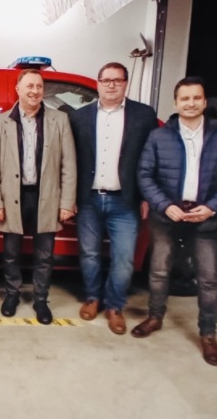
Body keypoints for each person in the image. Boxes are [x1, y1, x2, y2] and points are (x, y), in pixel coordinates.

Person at [133, 77, 217, 366]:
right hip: (167, 216)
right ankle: (155, 317)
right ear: (176, 103)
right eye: (185, 98)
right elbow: (145, 174)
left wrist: (212, 207)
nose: (190, 103)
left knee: (208, 278)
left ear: (204, 101)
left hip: (206, 218)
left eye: (196, 98)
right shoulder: (159, 136)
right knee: (159, 271)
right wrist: (164, 205)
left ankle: (208, 334)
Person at [69, 62, 158, 335]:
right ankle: (92, 298)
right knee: (90, 254)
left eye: (117, 80)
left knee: (124, 259)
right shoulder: (79, 117)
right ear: (97, 84)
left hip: (125, 201)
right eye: (106, 80)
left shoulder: (144, 115)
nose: (111, 85)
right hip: (88, 199)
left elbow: (150, 159)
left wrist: (145, 196)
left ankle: (115, 306)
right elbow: (70, 160)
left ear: (125, 84)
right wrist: (69, 197)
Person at [0, 69, 76, 324]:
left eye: (39, 86)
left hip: (46, 197)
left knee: (45, 255)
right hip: (13, 197)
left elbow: (69, 164)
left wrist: (67, 203)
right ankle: (12, 294)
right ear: (18, 90)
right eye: (29, 86)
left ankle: (40, 300)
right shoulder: (1, 122)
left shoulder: (59, 120)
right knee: (11, 253)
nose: (35, 91)